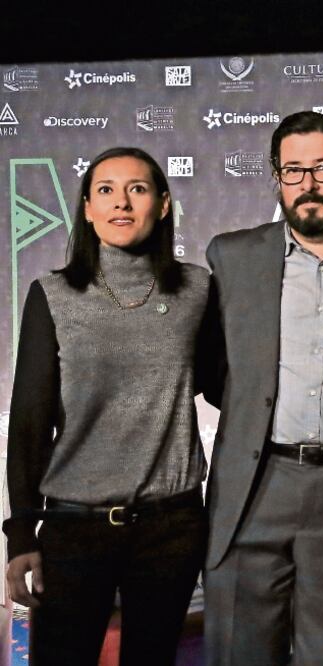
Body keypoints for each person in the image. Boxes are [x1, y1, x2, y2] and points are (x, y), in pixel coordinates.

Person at [201, 111, 323, 666]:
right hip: (256, 483)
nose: (307, 184)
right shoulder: (232, 257)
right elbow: (215, 372)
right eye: (292, 171)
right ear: (277, 179)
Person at [4, 147, 209, 666]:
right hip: (76, 530)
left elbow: (229, 385)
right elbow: (30, 420)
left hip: (171, 529)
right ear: (88, 209)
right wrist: (21, 534)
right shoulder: (53, 294)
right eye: (105, 190)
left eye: (137, 189)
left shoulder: (198, 290)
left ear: (163, 205)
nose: (122, 202)